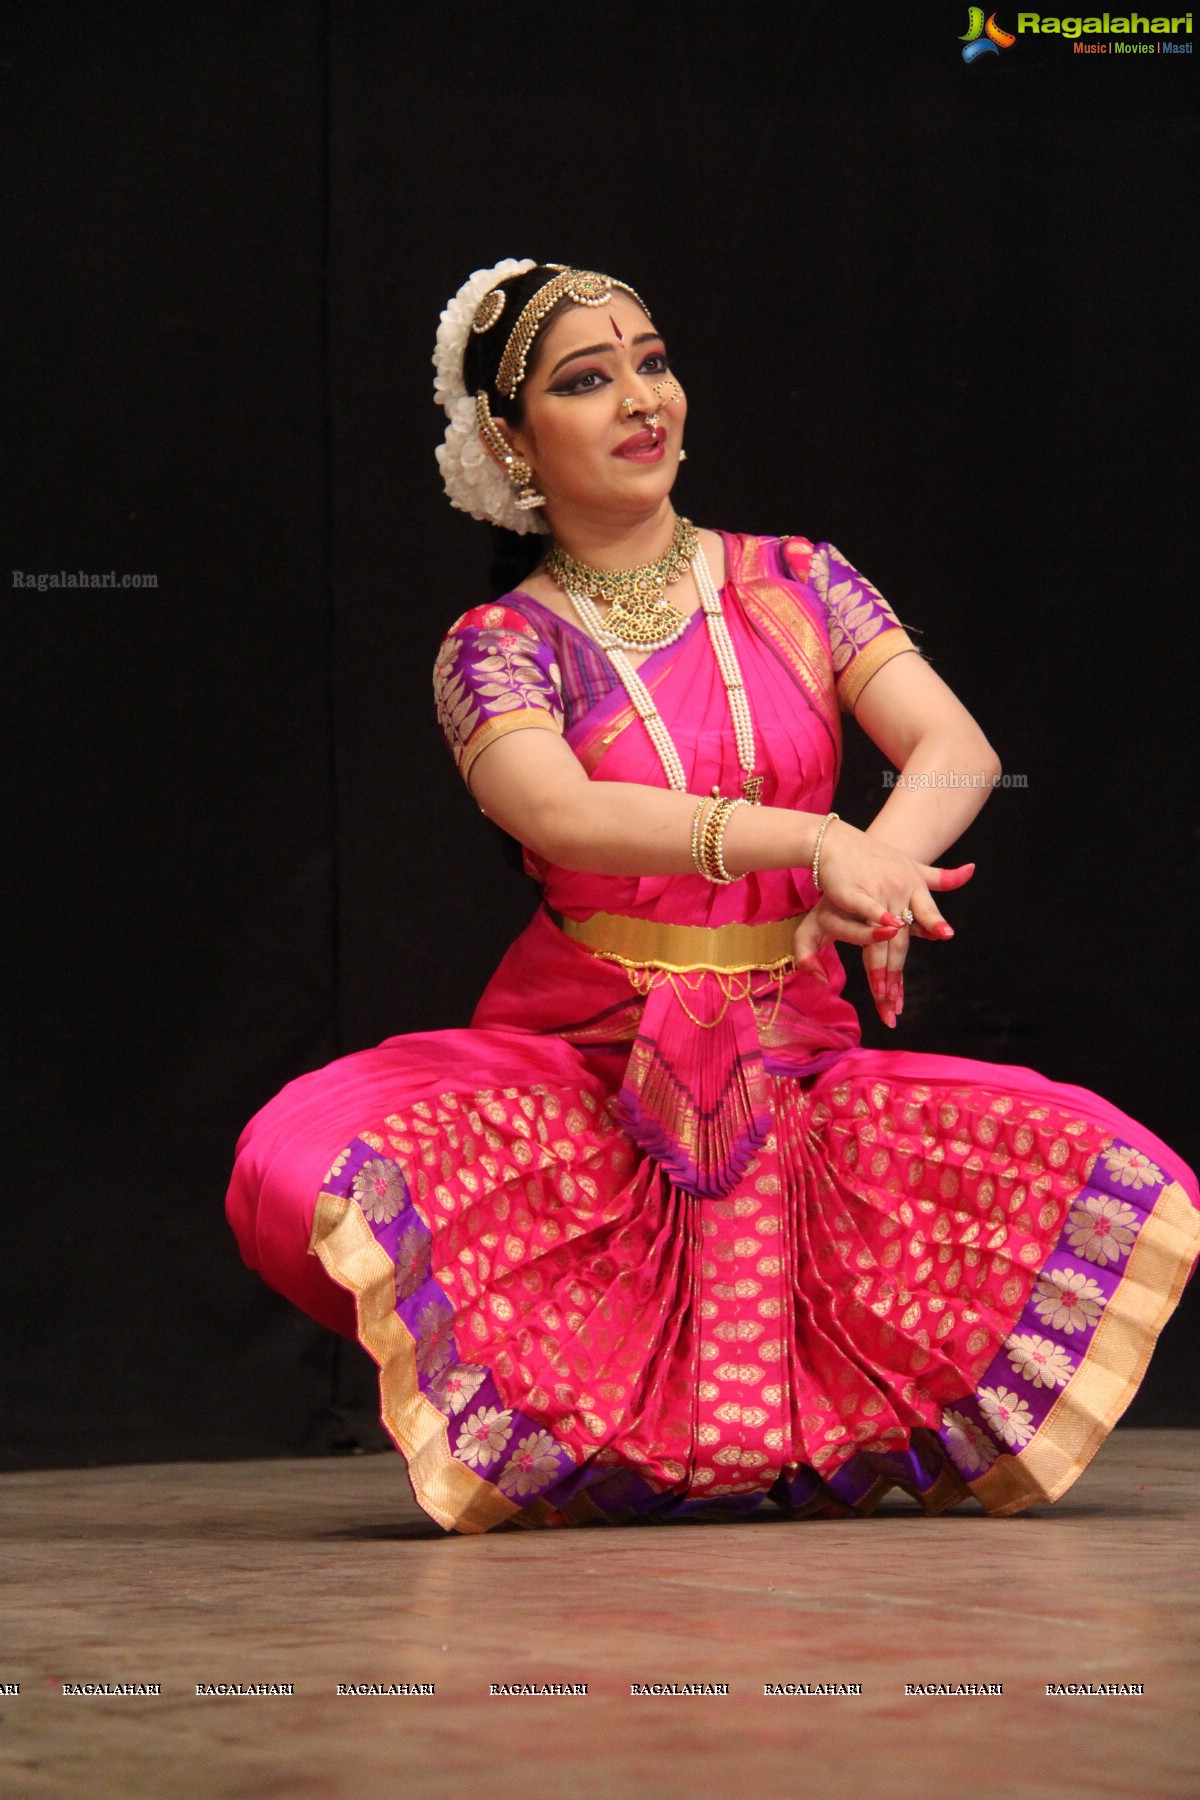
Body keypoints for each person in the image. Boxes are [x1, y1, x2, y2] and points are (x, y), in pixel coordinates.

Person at [226, 259, 1200, 1533]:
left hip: (794, 1061)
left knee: (1121, 1180)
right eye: (588, 380)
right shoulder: (500, 646)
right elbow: (558, 810)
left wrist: (880, 872)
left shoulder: (798, 578)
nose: (641, 398)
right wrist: (812, 837)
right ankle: (605, 1437)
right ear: (512, 443)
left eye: (652, 360)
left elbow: (953, 750)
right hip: (591, 1067)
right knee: (305, 1169)